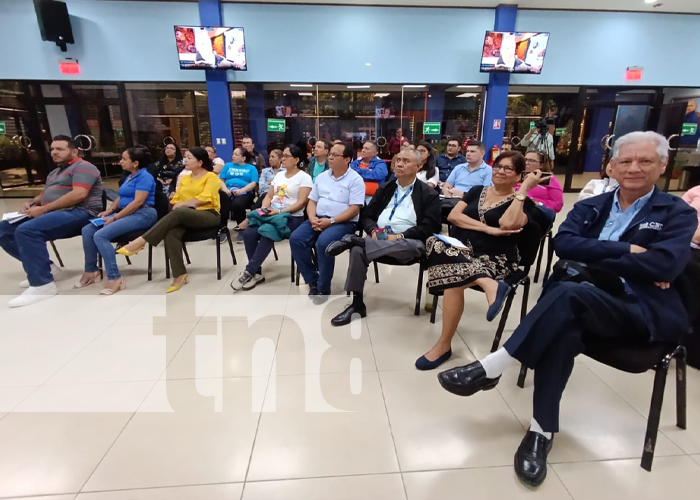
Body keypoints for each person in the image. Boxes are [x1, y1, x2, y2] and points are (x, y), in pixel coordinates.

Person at [437, 131, 698, 487]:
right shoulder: (593, 206)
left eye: (645, 161)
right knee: (564, 323)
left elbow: (665, 266)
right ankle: (541, 432)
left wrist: (602, 252)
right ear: (612, 166)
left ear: (663, 165)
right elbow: (564, 243)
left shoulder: (676, 213)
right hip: (585, 305)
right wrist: (631, 252)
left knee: (568, 292)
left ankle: (495, 364)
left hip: (638, 311)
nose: (634, 168)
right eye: (626, 161)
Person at [417, 151, 541, 370]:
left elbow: (507, 223)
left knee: (454, 281)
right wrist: (487, 229)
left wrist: (522, 191)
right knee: (433, 242)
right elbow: (454, 216)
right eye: (498, 166)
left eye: (508, 168)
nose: (501, 171)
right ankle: (488, 284)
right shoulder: (477, 191)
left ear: (519, 176)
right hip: (464, 251)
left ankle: (443, 346)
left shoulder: (523, 203)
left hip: (497, 258)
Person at [325, 148, 441, 325]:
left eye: (406, 161)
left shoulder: (428, 194)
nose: (400, 164)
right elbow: (367, 216)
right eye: (398, 159)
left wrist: (400, 235)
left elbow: (431, 226)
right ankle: (357, 305)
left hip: (408, 241)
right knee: (358, 250)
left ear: (418, 166)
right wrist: (375, 232)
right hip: (380, 236)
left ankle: (356, 241)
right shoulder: (386, 188)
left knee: (407, 245)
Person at [0, 135, 103, 307]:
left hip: (81, 213)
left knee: (27, 230)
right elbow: (45, 195)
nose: (54, 152)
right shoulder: (55, 172)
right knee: (4, 229)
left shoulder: (84, 167)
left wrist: (43, 209)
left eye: (60, 149)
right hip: (56, 213)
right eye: (53, 149)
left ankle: (42, 285)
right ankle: (46, 268)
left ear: (74, 151)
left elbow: (79, 194)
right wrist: (32, 203)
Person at [117, 147, 221, 293]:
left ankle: (141, 242)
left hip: (208, 214)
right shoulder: (185, 178)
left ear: (200, 162)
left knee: (179, 212)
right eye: (185, 157)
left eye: (189, 158)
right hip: (185, 215)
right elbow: (177, 198)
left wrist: (183, 204)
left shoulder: (211, 177)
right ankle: (179, 274)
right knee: (171, 233)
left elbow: (205, 198)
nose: (185, 160)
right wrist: (180, 204)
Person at [290, 143, 365, 303]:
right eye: (330, 154)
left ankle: (323, 288)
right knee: (296, 239)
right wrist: (311, 218)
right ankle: (312, 280)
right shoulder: (322, 177)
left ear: (346, 159)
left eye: (335, 155)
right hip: (318, 218)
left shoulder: (356, 180)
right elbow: (312, 201)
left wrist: (330, 221)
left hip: (343, 222)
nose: (330, 157)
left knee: (324, 243)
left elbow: (354, 210)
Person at [78, 146, 157, 295]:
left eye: (124, 159)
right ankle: (91, 270)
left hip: (143, 214)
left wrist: (114, 218)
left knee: (100, 235)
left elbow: (137, 202)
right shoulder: (129, 176)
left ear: (135, 163)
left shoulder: (145, 177)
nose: (120, 161)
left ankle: (115, 278)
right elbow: (121, 196)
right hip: (126, 213)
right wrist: (110, 211)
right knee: (87, 230)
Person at [233, 145, 313, 291]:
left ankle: (249, 271)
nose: (283, 159)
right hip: (271, 213)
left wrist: (280, 211)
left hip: (291, 217)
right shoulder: (279, 175)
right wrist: (264, 207)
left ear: (296, 160)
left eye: (286, 156)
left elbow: (301, 203)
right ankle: (256, 273)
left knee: (267, 232)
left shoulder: (304, 178)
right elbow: (269, 196)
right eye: (283, 156)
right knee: (250, 233)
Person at [219, 147, 259, 240]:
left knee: (237, 204)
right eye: (233, 154)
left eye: (236, 154)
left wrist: (242, 190)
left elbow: (254, 183)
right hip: (227, 191)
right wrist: (225, 189)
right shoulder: (227, 166)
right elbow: (221, 180)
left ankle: (242, 228)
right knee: (222, 202)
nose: (233, 156)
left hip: (245, 192)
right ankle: (222, 229)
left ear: (243, 158)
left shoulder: (251, 168)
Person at [518, 151, 563, 215]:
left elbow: (558, 204)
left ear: (541, 165)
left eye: (531, 160)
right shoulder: (517, 176)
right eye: (525, 159)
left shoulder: (549, 179)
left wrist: (536, 202)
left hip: (536, 214)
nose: (526, 163)